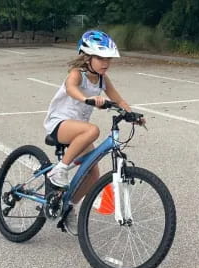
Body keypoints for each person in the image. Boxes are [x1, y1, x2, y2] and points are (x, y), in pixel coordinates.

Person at [43, 30, 145, 235]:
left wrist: (132, 114)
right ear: (87, 57)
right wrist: (86, 99)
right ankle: (59, 169)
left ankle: (67, 207)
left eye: (108, 59)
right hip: (59, 124)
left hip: (80, 130)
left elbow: (118, 100)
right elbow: (71, 88)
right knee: (93, 130)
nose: (105, 63)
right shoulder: (76, 74)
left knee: (93, 174)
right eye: (100, 58)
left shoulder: (102, 79)